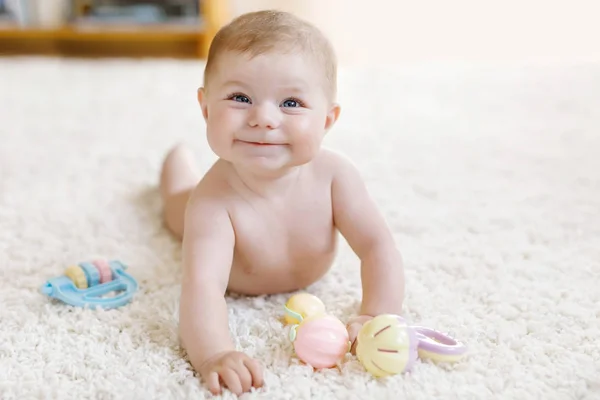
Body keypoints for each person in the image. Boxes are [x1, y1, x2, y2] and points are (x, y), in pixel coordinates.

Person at [159, 9, 405, 396]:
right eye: (240, 97)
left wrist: (377, 314)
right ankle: (174, 165)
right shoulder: (210, 202)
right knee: (176, 205)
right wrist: (214, 354)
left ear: (326, 120)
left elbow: (378, 247)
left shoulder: (336, 176)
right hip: (194, 208)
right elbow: (202, 286)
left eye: (291, 103)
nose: (264, 118)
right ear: (206, 109)